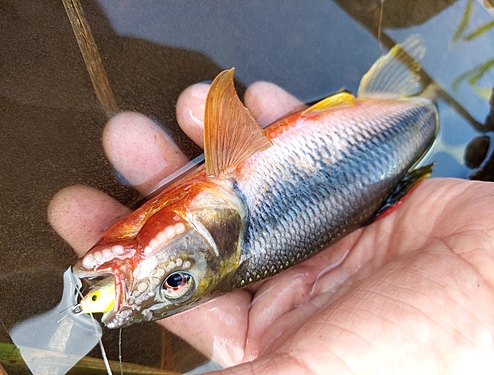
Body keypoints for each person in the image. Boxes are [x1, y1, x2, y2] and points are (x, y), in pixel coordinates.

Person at [48, 81, 494, 374]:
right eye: (175, 283)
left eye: (174, 282)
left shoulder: (222, 201)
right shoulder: (225, 189)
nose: (152, 284)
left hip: (393, 138)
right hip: (397, 127)